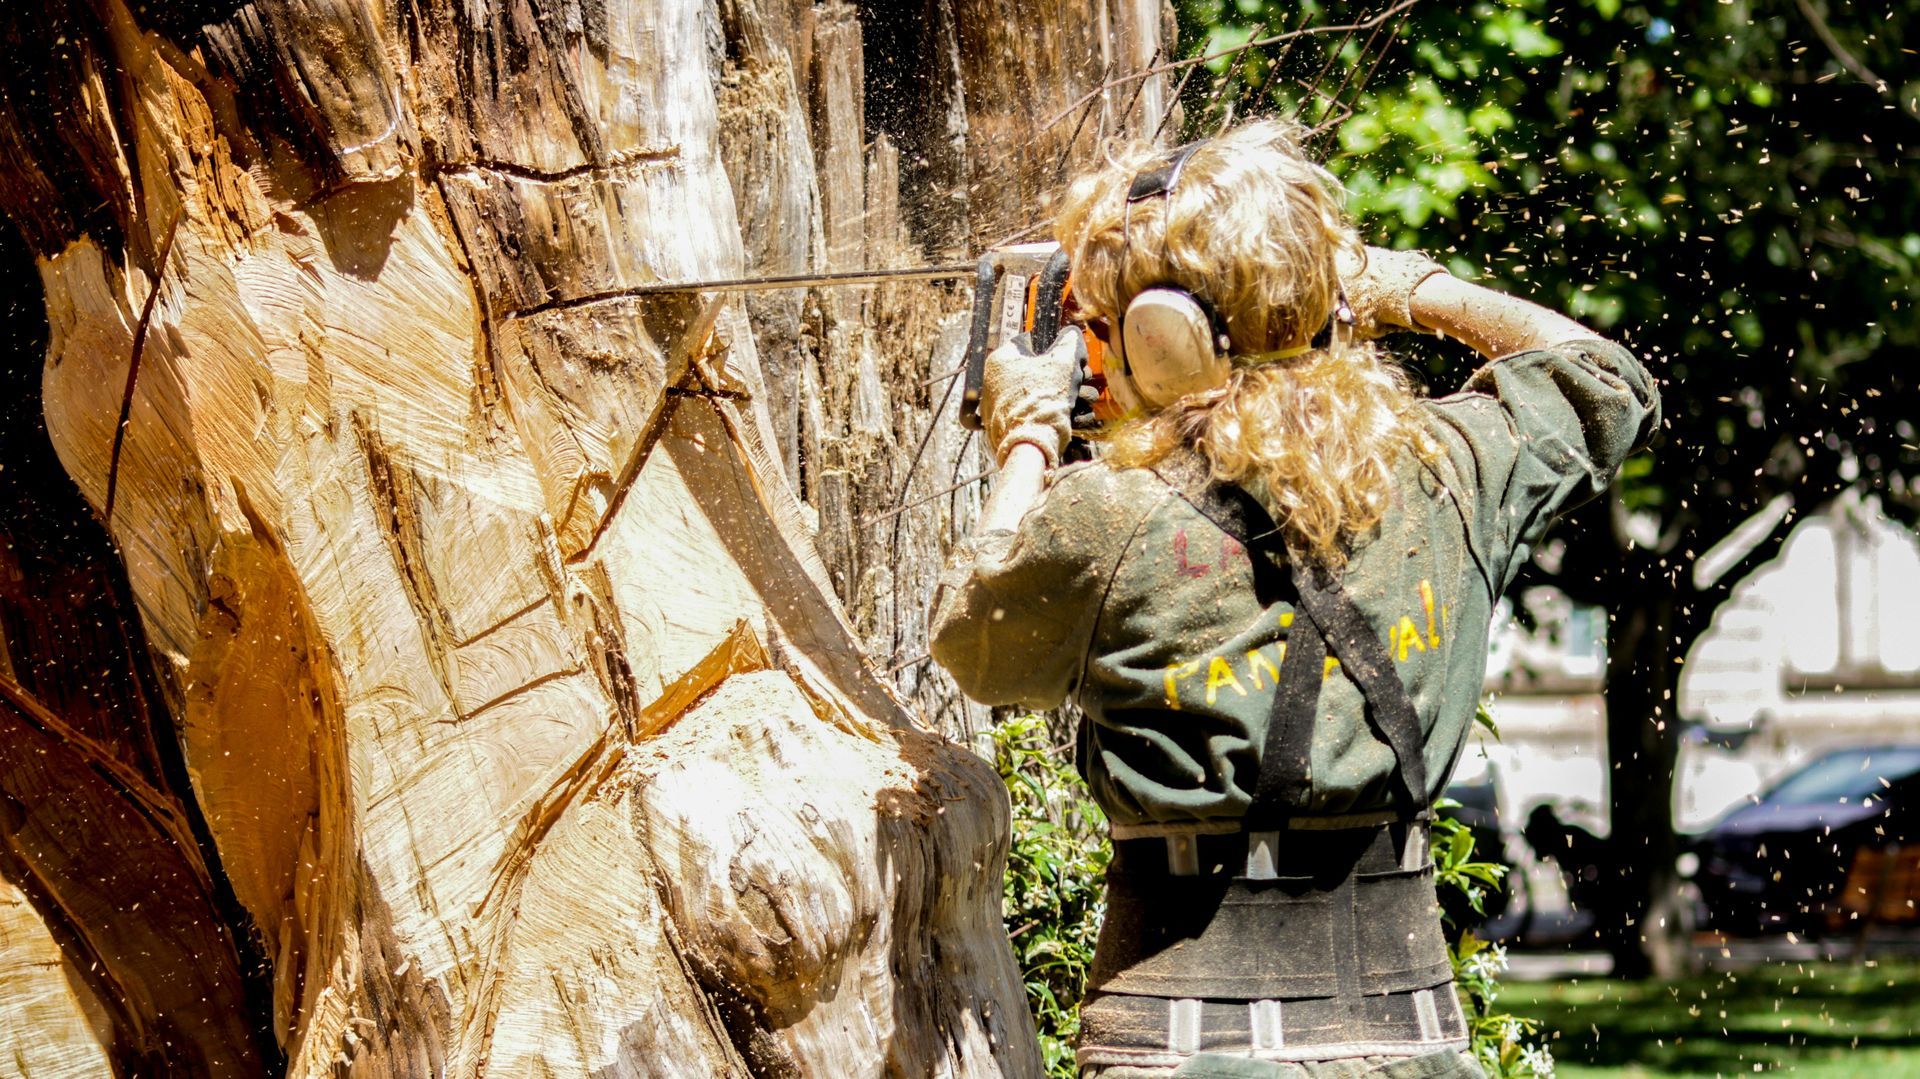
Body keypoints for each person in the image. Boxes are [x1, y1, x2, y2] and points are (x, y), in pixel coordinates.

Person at [929, 119, 1660, 1079]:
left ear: (1167, 340)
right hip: (1414, 1041)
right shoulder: (1452, 469)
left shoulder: (1107, 516)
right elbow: (1607, 377)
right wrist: (1414, 290)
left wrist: (1026, 443)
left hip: (1188, 1044)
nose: (1090, 354)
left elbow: (972, 643)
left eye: (1103, 325)